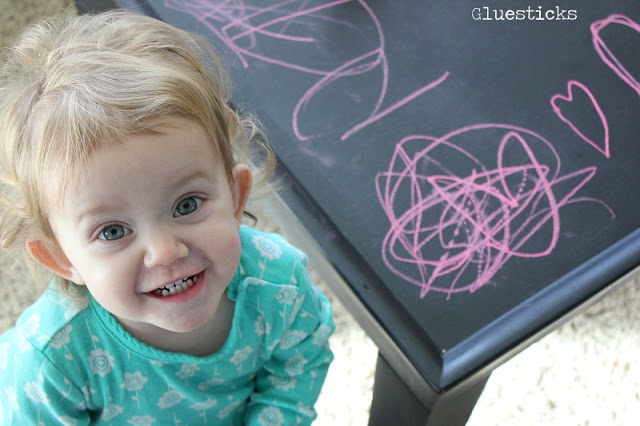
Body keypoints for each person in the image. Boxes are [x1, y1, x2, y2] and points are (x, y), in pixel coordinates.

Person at [0, 9, 334, 425]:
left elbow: (299, 366)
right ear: (62, 259)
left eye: (187, 205)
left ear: (234, 196)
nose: (164, 251)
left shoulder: (278, 284)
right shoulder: (52, 358)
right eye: (114, 231)